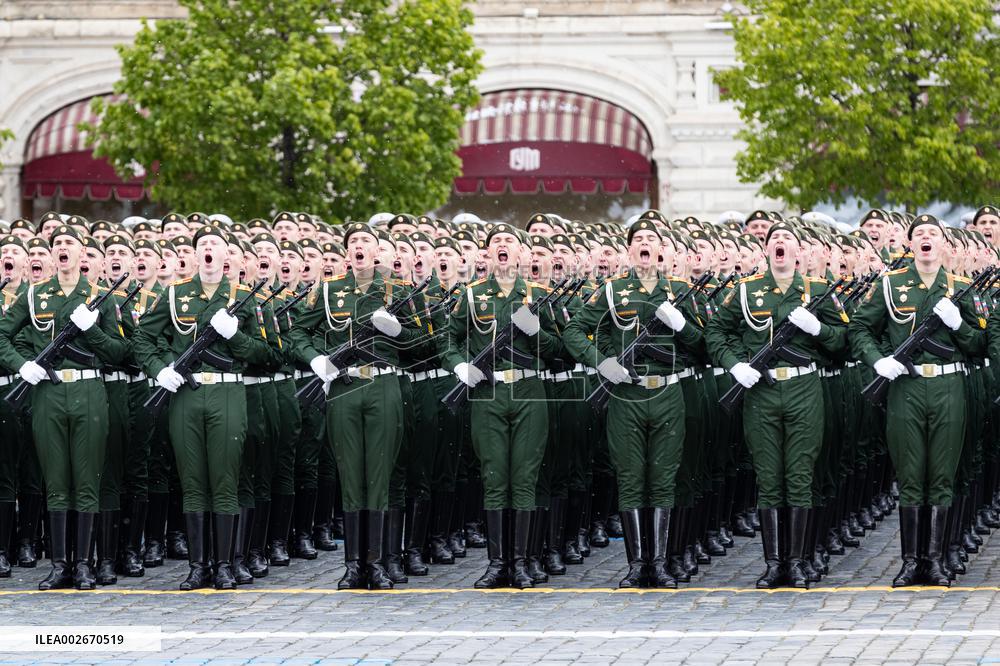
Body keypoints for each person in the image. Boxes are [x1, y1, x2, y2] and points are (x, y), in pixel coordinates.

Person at [705, 220, 848, 589]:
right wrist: (734, 364)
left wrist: (818, 329)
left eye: (787, 238)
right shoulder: (746, 290)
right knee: (769, 477)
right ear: (766, 250)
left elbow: (842, 342)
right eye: (774, 239)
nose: (780, 242)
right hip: (762, 391)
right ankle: (774, 564)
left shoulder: (817, 291)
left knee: (799, 476)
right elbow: (716, 331)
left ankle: (796, 563)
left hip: (803, 389)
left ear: (798, 251)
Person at [133, 225, 275, 590]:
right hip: (187, 394)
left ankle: (224, 565)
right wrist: (160, 369)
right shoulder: (175, 294)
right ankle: (198, 567)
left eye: (215, 244)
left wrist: (234, 336)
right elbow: (143, 336)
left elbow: (267, 354)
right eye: (203, 244)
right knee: (193, 481)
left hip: (228, 393)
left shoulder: (243, 296)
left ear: (227, 255)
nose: (209, 249)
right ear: (195, 255)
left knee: (225, 480)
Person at [851, 214, 985, 587]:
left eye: (933, 233)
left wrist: (958, 324)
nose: (926, 238)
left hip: (947, 387)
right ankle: (911, 562)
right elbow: (860, 327)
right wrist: (878, 360)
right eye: (919, 233)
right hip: (906, 388)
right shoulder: (891, 284)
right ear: (910, 244)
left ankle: (936, 561)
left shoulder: (960, 287)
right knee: (910, 475)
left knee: (942, 475)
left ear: (943, 243)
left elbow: (979, 344)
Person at [0, 224, 128, 590]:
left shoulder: (100, 296)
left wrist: (93, 330)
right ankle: (60, 566)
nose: (62, 248)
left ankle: (83, 564)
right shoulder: (35, 294)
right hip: (49, 393)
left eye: (69, 243)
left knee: (86, 480)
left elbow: (120, 351)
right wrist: (21, 365)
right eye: (57, 243)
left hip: (89, 390)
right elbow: (3, 333)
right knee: (56, 481)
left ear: (82, 252)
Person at [442, 223, 562, 589]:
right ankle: (497, 565)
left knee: (524, 478)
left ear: (523, 253)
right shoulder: (473, 295)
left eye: (510, 240)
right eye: (496, 242)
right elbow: (449, 339)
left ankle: (521, 563)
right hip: (488, 394)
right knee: (494, 477)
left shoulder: (539, 295)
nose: (503, 245)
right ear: (488, 253)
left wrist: (536, 331)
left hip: (528, 391)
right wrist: (460, 366)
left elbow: (560, 350)